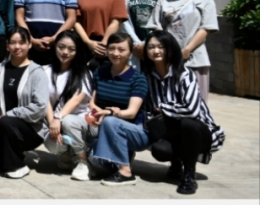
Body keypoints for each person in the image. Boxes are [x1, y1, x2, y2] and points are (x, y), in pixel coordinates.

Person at [141, 31, 226, 195]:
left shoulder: (185, 74)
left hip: (199, 132)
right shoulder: (146, 77)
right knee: (159, 150)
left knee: (188, 123)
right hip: (171, 131)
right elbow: (148, 109)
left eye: (161, 46)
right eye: (150, 47)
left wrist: (164, 108)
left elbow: (192, 111)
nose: (156, 51)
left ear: (170, 49)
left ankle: (189, 174)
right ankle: (176, 162)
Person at [0, 27, 49, 179]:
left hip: (30, 130)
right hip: (2, 126)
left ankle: (16, 166)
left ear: (30, 44)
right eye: (13, 43)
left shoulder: (37, 72)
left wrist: (8, 115)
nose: (17, 47)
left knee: (7, 121)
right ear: (7, 45)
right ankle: (12, 156)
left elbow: (40, 107)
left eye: (22, 43)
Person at [147, 0, 219, 102]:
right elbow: (156, 27)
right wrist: (165, 51)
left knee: (196, 103)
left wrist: (187, 50)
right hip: (167, 60)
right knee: (168, 101)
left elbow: (206, 28)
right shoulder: (164, 0)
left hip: (195, 60)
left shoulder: (205, 0)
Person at [87, 32, 149, 186]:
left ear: (130, 53)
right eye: (112, 48)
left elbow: (132, 113)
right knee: (94, 158)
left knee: (110, 122)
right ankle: (124, 155)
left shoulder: (138, 78)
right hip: (105, 123)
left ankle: (125, 172)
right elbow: (92, 102)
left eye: (121, 49)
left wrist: (109, 113)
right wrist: (99, 113)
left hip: (135, 130)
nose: (115, 53)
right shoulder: (100, 72)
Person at [42, 29, 96, 181]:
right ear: (55, 46)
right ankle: (67, 153)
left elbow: (76, 100)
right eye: (61, 47)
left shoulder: (84, 73)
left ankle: (82, 160)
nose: (65, 52)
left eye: (71, 49)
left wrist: (58, 118)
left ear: (77, 51)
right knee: (52, 144)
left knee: (68, 121)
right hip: (57, 120)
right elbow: (45, 100)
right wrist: (53, 123)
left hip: (80, 122)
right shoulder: (45, 71)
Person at [121, 0, 166, 64]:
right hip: (134, 45)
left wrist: (147, 42)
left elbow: (163, 20)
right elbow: (124, 20)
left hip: (156, 43)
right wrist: (137, 43)